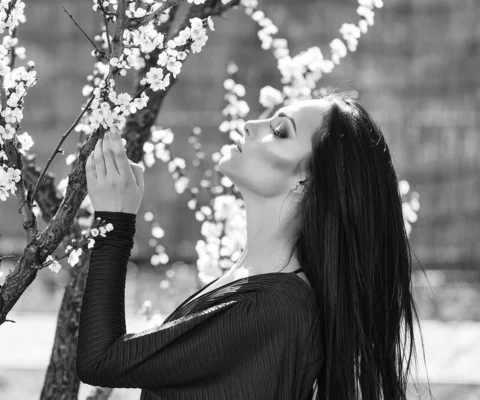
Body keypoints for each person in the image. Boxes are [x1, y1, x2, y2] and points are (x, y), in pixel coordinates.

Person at [76, 93, 427, 400]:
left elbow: (101, 360)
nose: (249, 124)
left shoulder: (272, 307)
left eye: (279, 131)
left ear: (307, 181)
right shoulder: (261, 285)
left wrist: (114, 226)